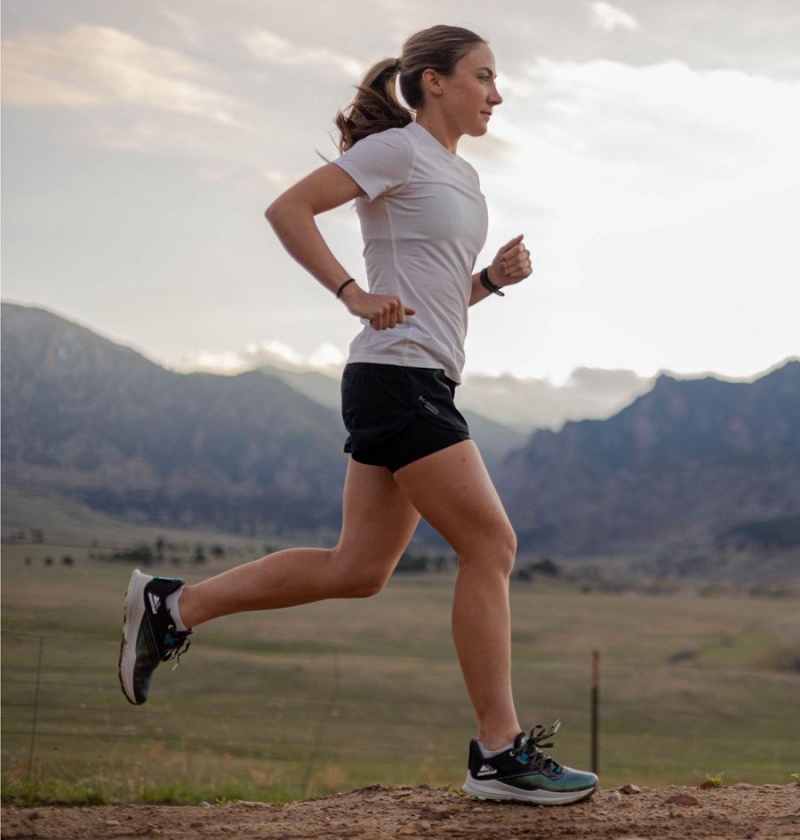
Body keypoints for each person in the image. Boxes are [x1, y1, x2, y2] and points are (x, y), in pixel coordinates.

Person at [118, 24, 598, 806]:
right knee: (492, 543)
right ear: (434, 82)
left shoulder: (460, 176)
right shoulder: (399, 150)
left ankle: (172, 607)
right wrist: (350, 293)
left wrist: (489, 281)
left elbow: (429, 295)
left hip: (417, 377)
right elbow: (289, 209)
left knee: (358, 570)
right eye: (483, 76)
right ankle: (498, 752)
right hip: (396, 380)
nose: (496, 94)